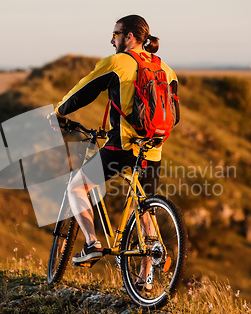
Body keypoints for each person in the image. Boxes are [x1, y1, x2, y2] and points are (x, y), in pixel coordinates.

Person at [53, 15, 180, 272]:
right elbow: (175, 115)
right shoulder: (166, 69)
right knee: (145, 210)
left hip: (121, 146)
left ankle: (91, 244)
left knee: (76, 188)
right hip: (153, 148)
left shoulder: (117, 62)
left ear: (129, 37)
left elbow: (83, 91)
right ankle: (145, 280)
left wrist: (59, 112)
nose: (112, 40)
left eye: (115, 34)